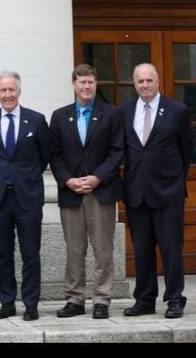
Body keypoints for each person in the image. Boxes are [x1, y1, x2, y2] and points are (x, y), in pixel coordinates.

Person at [50, 64, 124, 320]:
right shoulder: (59, 116)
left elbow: (118, 151)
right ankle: (74, 298)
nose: (87, 87)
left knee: (103, 248)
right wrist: (68, 180)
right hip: (71, 192)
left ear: (96, 84)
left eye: (91, 82)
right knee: (74, 248)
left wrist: (97, 178)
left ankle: (102, 299)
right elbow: (55, 155)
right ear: (74, 85)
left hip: (101, 191)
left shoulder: (112, 114)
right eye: (82, 82)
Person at [120, 63, 193, 319]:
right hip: (136, 193)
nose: (145, 85)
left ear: (158, 81)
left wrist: (172, 179)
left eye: (149, 80)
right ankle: (145, 299)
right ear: (134, 83)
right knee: (142, 250)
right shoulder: (125, 111)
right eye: (140, 81)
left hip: (168, 193)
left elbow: (186, 151)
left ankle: (175, 299)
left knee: (171, 249)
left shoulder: (177, 110)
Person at [0, 70, 51, 321]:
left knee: (31, 253)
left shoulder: (37, 120)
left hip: (28, 197)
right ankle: (7, 301)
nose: (7, 94)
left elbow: (44, 157)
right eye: (3, 90)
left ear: (19, 92)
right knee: (2, 253)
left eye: (12, 90)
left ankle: (31, 303)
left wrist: (25, 176)